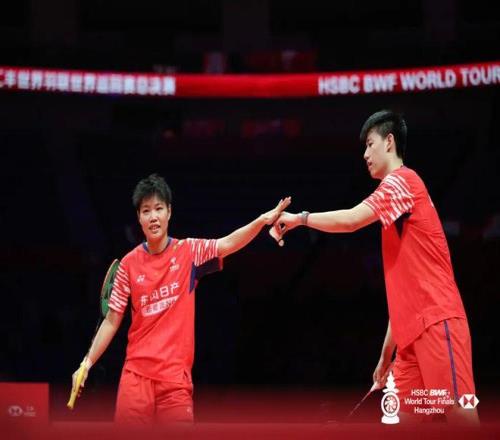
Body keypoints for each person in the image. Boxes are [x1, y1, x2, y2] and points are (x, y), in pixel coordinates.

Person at [272, 110, 478, 424]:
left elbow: (352, 220)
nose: (365, 155)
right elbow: (404, 293)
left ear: (389, 142)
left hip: (437, 323)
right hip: (410, 340)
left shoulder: (402, 181)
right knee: (400, 423)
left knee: (462, 420)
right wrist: (385, 355)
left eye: (370, 144)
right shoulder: (393, 214)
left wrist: (301, 219)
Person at [72, 173, 290, 425]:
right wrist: (87, 363)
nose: (153, 216)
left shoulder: (189, 252)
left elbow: (227, 244)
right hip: (136, 378)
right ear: (139, 217)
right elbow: (111, 320)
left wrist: (261, 221)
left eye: (158, 209)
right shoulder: (128, 265)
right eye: (146, 211)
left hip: (175, 381)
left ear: (169, 212)